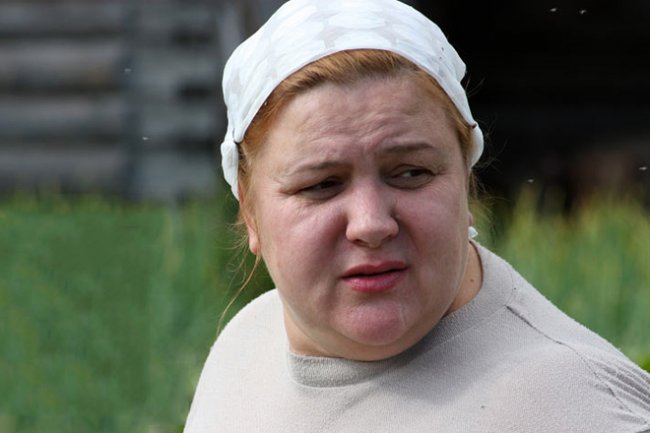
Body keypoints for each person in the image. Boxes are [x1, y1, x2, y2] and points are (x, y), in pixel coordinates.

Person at [184, 0, 650, 431]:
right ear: (249, 210)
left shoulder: (577, 408)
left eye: (410, 172)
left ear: (465, 179)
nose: (371, 223)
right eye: (323, 185)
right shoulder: (245, 349)